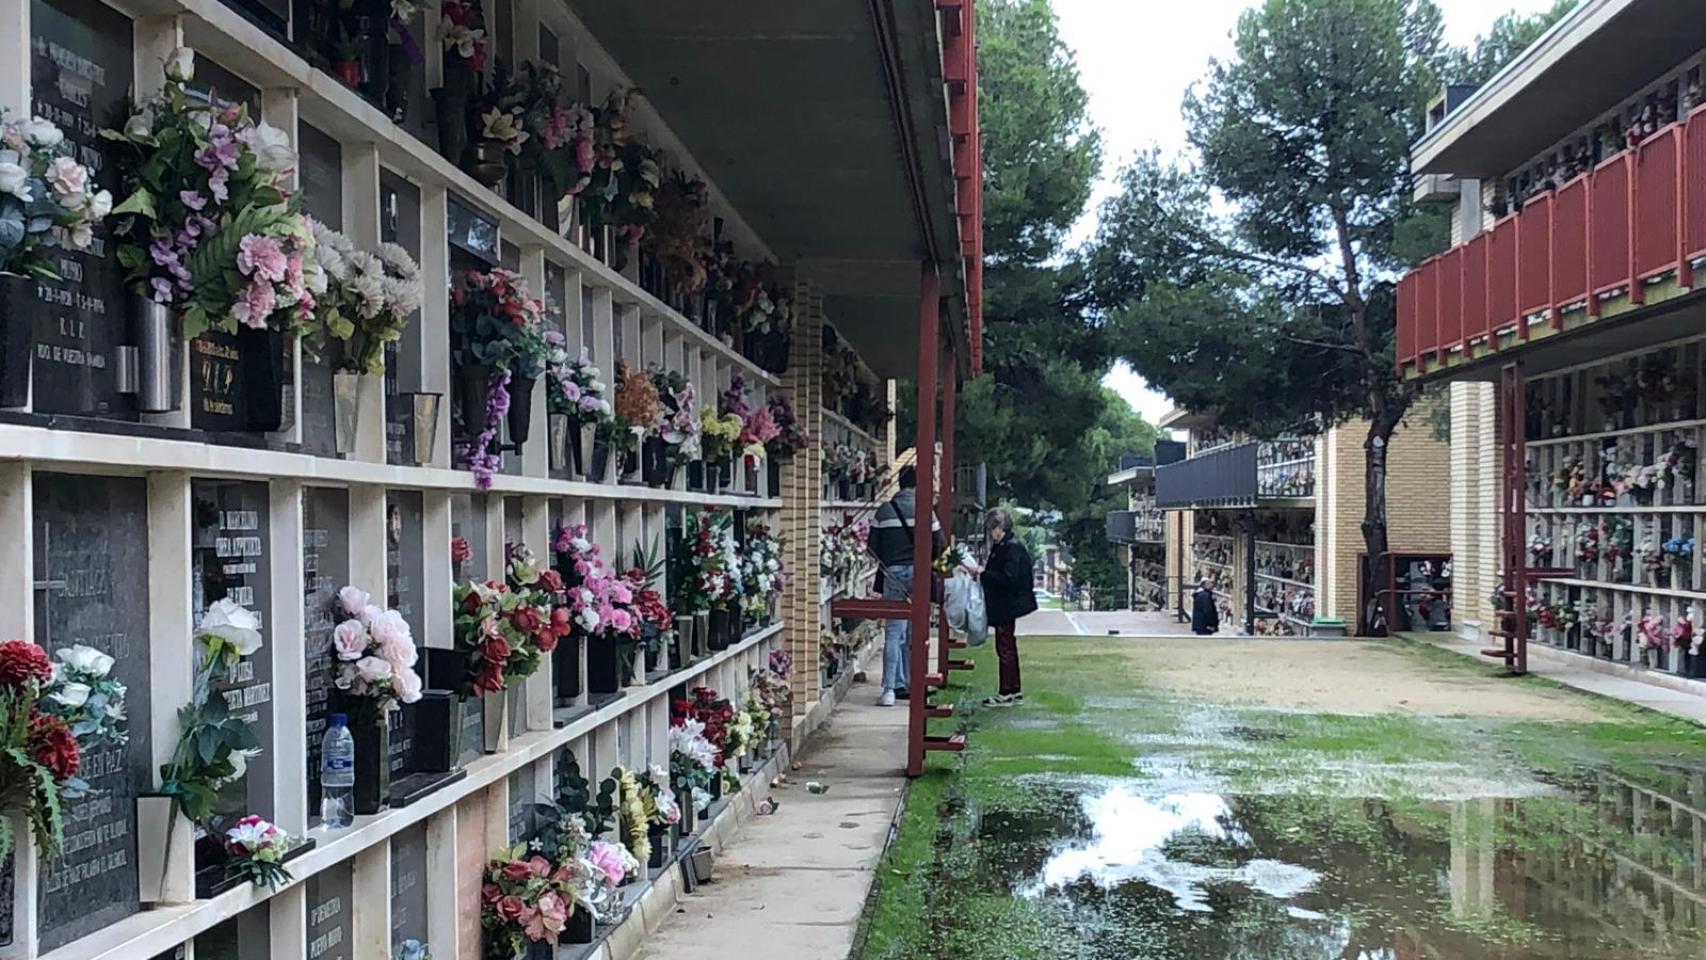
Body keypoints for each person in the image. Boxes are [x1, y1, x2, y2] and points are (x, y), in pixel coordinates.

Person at [870, 464, 943, 707]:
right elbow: (939, 545)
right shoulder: (926, 511)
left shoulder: (884, 511)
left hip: (893, 574)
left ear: (899, 484)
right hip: (920, 574)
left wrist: (889, 561)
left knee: (893, 632)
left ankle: (890, 690)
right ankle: (914, 684)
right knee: (916, 632)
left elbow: (872, 547)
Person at [978, 507, 1037, 708]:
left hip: (1006, 603)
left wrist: (983, 574)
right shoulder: (1009, 546)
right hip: (1007, 603)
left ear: (999, 527)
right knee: (1007, 645)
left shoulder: (1009, 548)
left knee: (1005, 646)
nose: (990, 533)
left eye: (991, 528)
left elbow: (1008, 578)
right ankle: (1013, 688)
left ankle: (1007, 690)